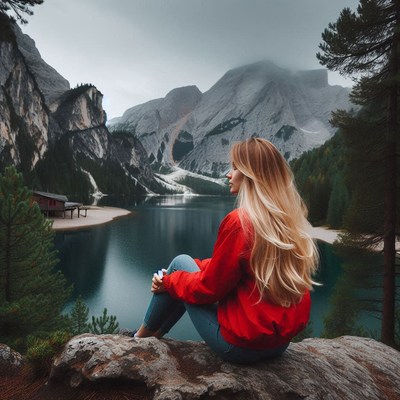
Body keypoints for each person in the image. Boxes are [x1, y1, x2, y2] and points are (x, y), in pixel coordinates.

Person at [134, 137, 319, 364]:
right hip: (278, 345)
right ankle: (151, 337)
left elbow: (209, 288)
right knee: (183, 271)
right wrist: (182, 277)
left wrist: (170, 282)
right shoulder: (287, 221)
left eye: (234, 168)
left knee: (179, 263)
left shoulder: (241, 222)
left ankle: (138, 339)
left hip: (240, 347)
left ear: (251, 174)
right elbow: (233, 267)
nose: (228, 174)